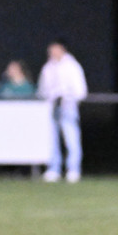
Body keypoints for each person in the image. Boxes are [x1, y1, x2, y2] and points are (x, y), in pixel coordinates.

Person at [36, 39, 88, 183]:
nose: (52, 53)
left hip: (68, 107)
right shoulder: (48, 67)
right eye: (51, 50)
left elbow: (80, 90)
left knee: (71, 138)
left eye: (55, 49)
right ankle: (54, 169)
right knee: (52, 139)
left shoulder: (72, 66)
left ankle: (73, 169)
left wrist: (67, 98)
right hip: (52, 107)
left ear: (62, 50)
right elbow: (42, 90)